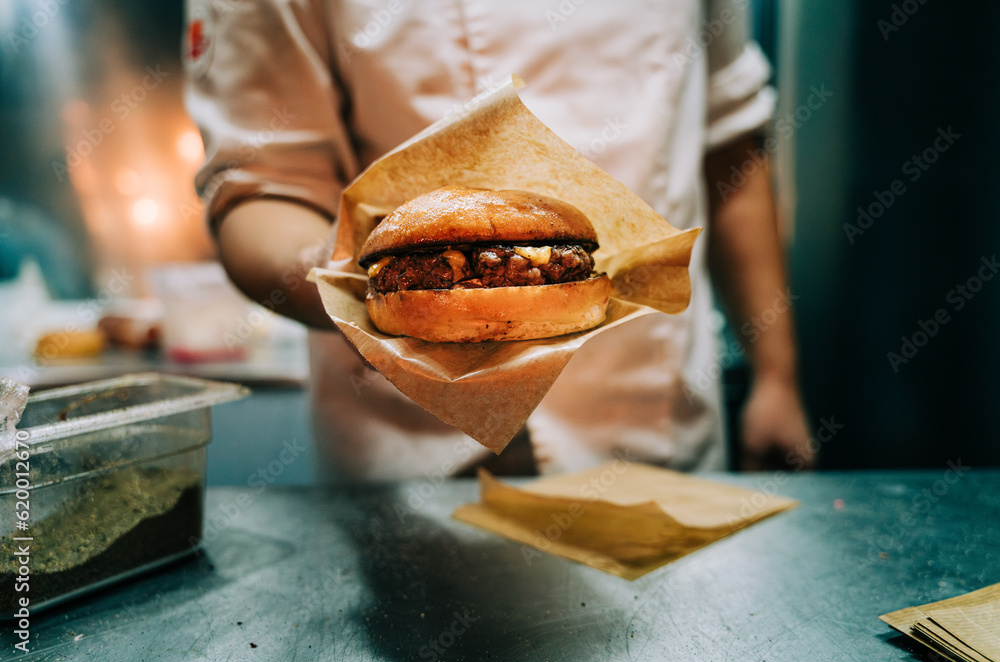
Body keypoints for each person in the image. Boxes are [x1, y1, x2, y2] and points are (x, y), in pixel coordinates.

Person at [184, 0, 813, 480]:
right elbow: (261, 184)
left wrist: (777, 376)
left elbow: (731, 141)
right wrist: (338, 275)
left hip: (660, 422)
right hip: (414, 455)